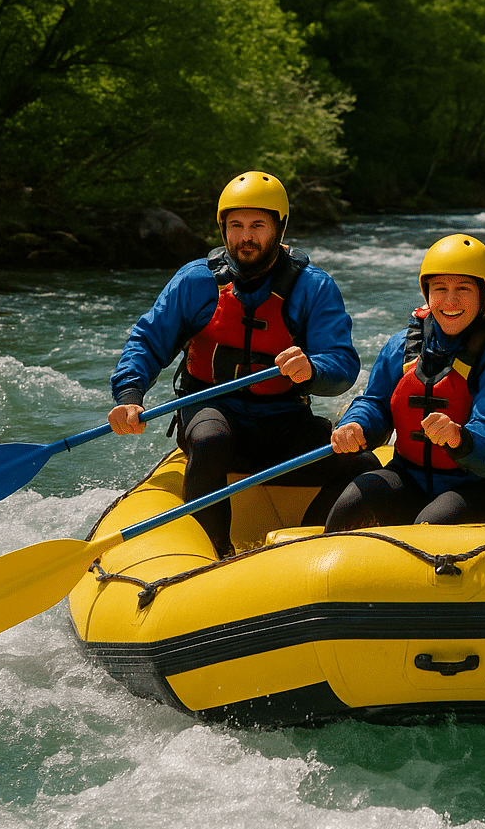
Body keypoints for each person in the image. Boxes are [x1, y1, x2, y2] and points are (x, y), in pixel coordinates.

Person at [108, 170, 371, 557]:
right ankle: (214, 554)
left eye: (257, 226)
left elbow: (343, 363)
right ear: (223, 229)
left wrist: (314, 369)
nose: (246, 237)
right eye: (236, 226)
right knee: (210, 439)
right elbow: (147, 340)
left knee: (363, 467)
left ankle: (307, 544)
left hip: (283, 421)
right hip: (212, 411)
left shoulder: (313, 287)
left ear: (279, 228)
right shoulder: (196, 281)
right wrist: (130, 394)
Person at [324, 234, 485, 531]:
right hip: (409, 476)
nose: (450, 301)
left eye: (463, 289)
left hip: (481, 486)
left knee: (435, 522)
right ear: (427, 293)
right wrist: (357, 424)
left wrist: (460, 437)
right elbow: (375, 403)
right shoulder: (402, 345)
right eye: (440, 289)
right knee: (354, 504)